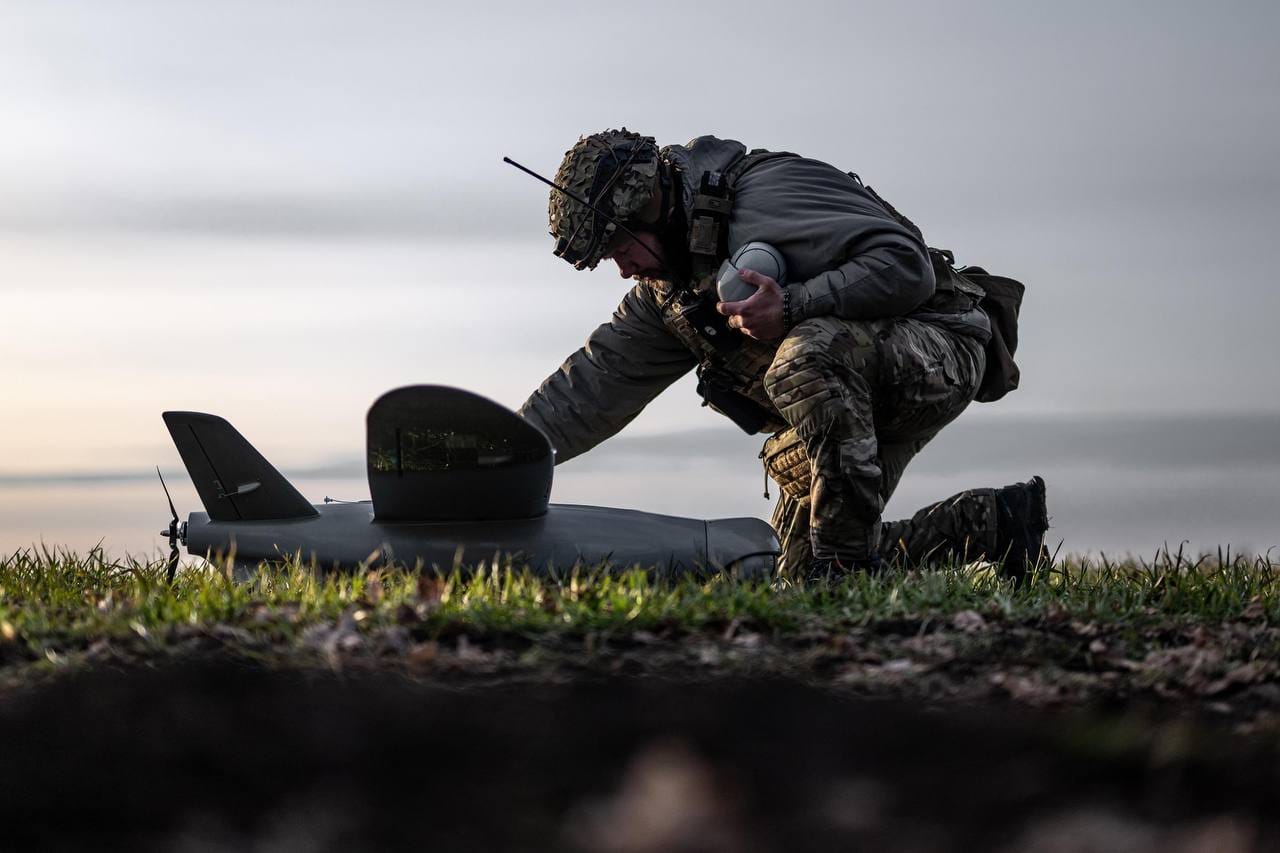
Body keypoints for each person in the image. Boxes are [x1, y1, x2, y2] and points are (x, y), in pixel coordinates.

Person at [517, 129, 1048, 578]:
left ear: (649, 208)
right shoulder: (667, 296)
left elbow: (907, 266)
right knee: (793, 574)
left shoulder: (770, 196)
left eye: (619, 249)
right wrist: (493, 455)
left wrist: (794, 304)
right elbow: (590, 387)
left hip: (939, 345)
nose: (624, 269)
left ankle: (846, 571)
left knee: (806, 360)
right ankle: (992, 524)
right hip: (846, 391)